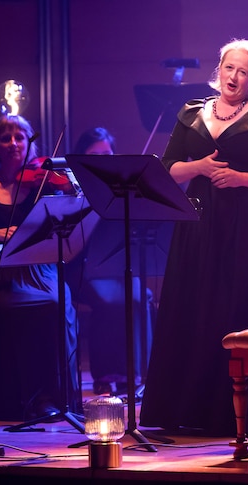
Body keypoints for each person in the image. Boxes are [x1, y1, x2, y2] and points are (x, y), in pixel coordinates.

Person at [140, 38, 248, 437]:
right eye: (230, 68)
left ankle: (238, 415)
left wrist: (241, 178)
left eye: (244, 72)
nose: (234, 77)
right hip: (195, 222)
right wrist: (200, 167)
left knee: (234, 310)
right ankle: (183, 408)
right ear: (219, 70)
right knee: (190, 307)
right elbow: (168, 168)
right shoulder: (191, 112)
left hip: (244, 226)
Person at [0, 114, 81, 422]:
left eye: (20, 137)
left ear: (29, 144)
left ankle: (50, 399)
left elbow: (71, 217)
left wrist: (73, 193)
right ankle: (4, 399)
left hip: (39, 271)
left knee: (54, 304)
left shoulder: (44, 185)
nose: (13, 144)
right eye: (5, 138)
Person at [66, 127, 156, 396]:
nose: (104, 160)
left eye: (108, 154)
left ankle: (141, 372)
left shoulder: (122, 187)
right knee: (108, 301)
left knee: (142, 296)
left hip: (118, 266)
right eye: (96, 155)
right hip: (82, 268)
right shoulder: (74, 188)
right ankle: (106, 373)